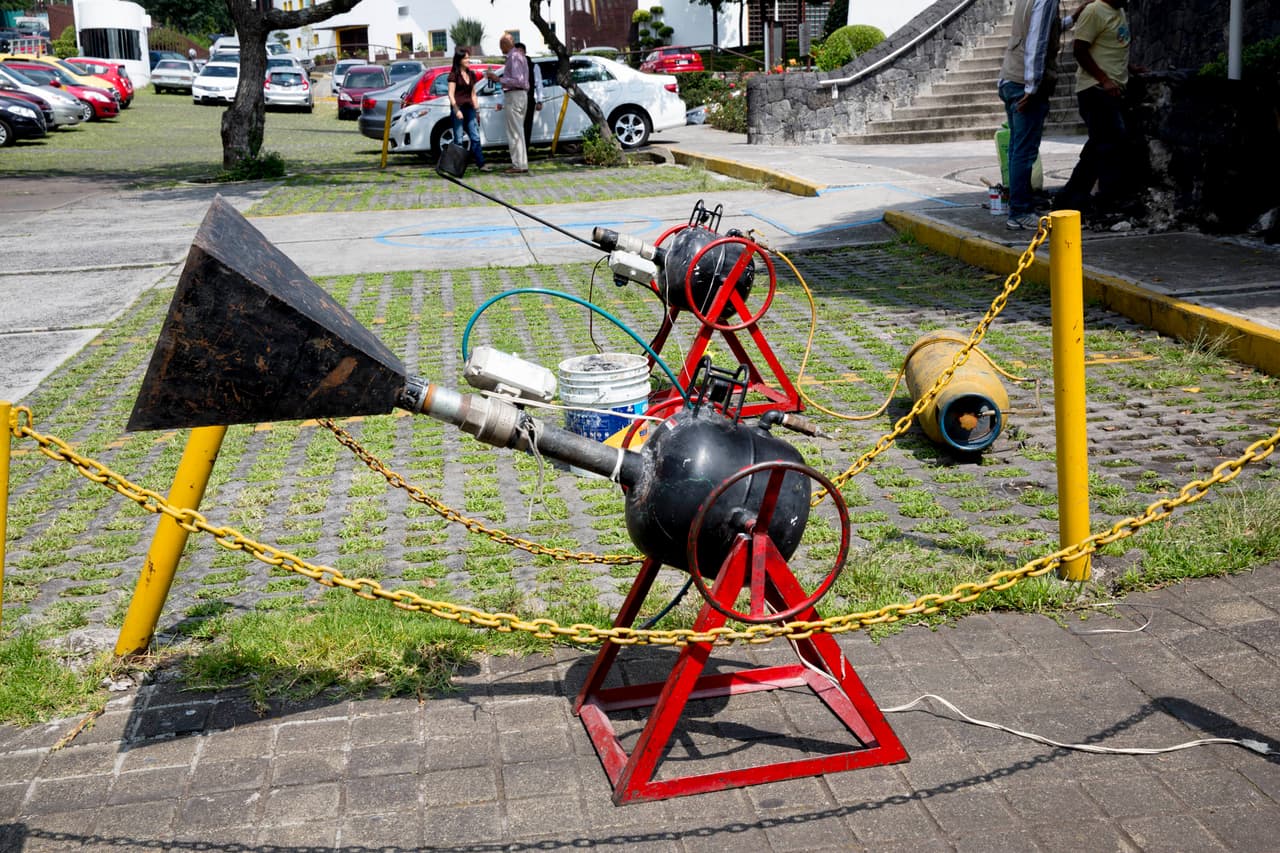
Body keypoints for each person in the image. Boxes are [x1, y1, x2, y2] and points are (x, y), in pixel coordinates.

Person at [997, 0, 1090, 230]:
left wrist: (1072, 19)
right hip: (1023, 84)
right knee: (1024, 151)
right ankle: (1020, 212)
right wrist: (1032, 86)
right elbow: (1036, 42)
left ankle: (1018, 206)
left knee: (1018, 149)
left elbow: (1044, 29)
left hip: (1010, 78)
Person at [1055, 0, 1140, 218]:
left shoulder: (1119, 11)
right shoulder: (1094, 11)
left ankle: (1070, 199)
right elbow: (1080, 50)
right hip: (1095, 90)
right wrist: (1104, 79)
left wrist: (1130, 68)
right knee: (1113, 144)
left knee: (1099, 146)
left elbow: (1111, 48)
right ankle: (1107, 200)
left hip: (1113, 88)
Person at [484, 33, 529, 174]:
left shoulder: (513, 57)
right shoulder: (520, 56)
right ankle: (521, 163)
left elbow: (517, 80)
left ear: (505, 44)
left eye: (500, 45)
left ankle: (518, 165)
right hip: (521, 95)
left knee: (514, 132)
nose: (500, 48)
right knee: (518, 131)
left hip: (514, 95)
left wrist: (498, 79)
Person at [447, 47, 490, 172]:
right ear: (459, 60)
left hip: (470, 108)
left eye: (468, 57)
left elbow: (473, 94)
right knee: (459, 139)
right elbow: (450, 94)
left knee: (475, 137)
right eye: (465, 58)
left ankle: (481, 164)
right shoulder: (453, 75)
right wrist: (456, 110)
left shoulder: (471, 74)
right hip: (458, 108)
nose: (468, 60)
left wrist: (477, 111)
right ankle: (457, 167)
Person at [514, 42, 543, 153]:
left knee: (527, 126)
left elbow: (539, 84)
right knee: (516, 127)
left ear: (525, 52)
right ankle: (517, 151)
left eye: (521, 51)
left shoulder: (534, 66)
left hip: (529, 100)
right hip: (515, 101)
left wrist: (540, 100)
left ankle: (524, 151)